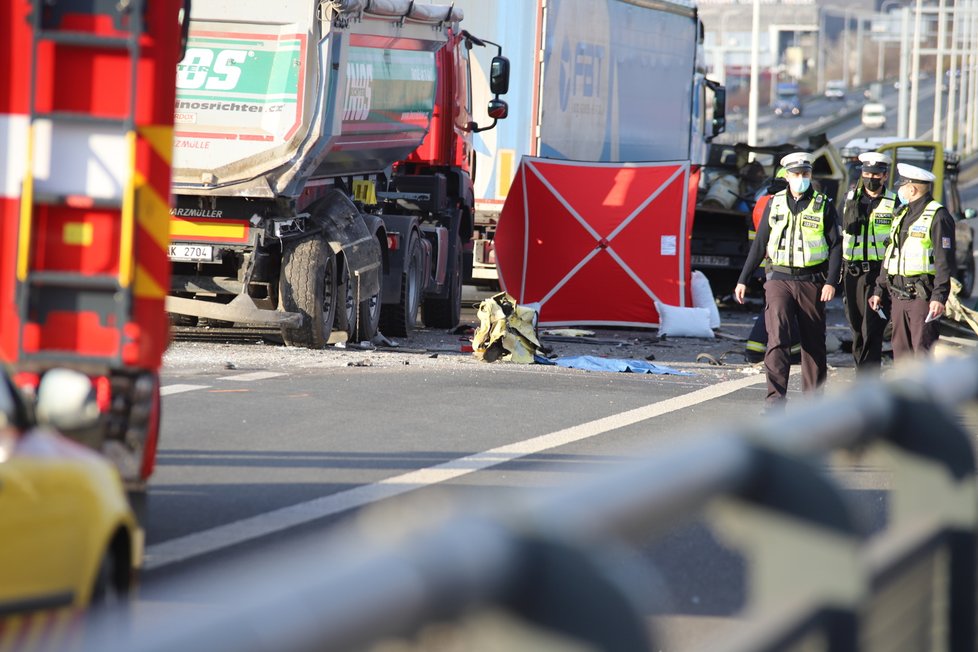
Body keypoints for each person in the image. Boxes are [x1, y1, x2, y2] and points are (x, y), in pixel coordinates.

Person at [734, 152, 842, 408]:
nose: (801, 179)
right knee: (777, 338)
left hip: (812, 280)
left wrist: (831, 282)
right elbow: (760, 244)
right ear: (787, 177)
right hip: (779, 278)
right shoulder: (774, 203)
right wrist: (743, 279)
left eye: (805, 174)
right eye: (796, 174)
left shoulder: (823, 204)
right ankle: (775, 402)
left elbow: (836, 245)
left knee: (813, 342)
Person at [868, 163, 955, 360]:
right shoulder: (902, 214)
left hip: (922, 298)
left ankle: (925, 392)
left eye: (902, 185)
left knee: (922, 354)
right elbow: (890, 255)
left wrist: (939, 297)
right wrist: (879, 290)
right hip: (898, 297)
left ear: (912, 189)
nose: (899, 190)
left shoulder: (938, 216)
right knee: (901, 355)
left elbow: (944, 261)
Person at [840, 151, 897, 373]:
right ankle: (862, 375)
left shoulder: (894, 202)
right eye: (866, 173)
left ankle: (868, 383)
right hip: (853, 273)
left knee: (871, 330)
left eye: (876, 174)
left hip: (879, 273)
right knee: (856, 330)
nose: (871, 178)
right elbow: (838, 234)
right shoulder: (849, 199)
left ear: (884, 176)